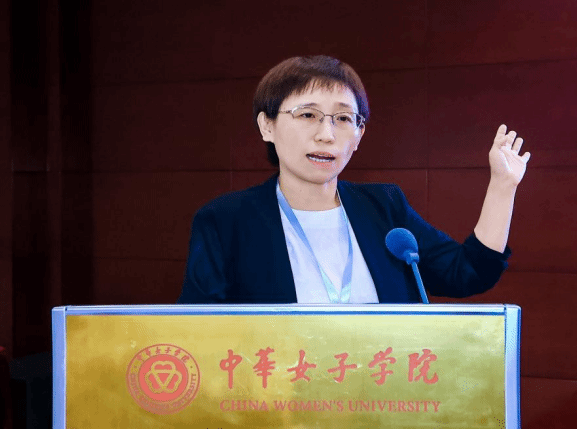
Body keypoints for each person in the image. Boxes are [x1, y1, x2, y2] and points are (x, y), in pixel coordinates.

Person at [177, 55, 530, 304]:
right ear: (266, 126)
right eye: (308, 115)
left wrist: (503, 187)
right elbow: (200, 331)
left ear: (359, 134)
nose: (326, 134)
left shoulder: (383, 207)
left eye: (344, 119)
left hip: (382, 387)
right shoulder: (225, 221)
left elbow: (466, 272)